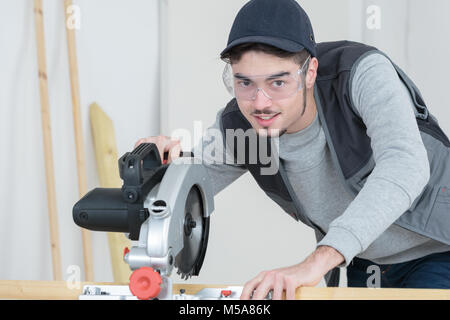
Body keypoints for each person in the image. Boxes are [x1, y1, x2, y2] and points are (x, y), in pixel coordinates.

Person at [135, 0, 450, 299]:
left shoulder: (360, 74)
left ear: (310, 72)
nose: (260, 103)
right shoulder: (238, 127)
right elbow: (182, 193)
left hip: (438, 247)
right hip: (365, 260)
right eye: (245, 83)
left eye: (278, 83)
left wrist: (315, 262)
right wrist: (155, 173)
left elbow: (406, 165)